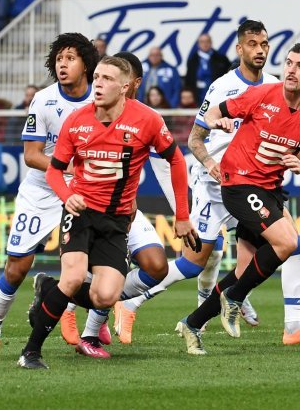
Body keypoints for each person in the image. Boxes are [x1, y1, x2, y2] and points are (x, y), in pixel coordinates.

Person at [118, 21, 300, 349]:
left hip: (263, 185)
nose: (259, 50)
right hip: (216, 182)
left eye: (264, 44)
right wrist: (210, 162)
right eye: (252, 44)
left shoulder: (282, 89)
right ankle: (131, 302)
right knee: (195, 262)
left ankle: (283, 324)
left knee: (277, 252)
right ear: (239, 49)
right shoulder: (226, 87)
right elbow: (195, 136)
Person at [18, 56, 197, 369]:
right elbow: (55, 171)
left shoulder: (148, 119)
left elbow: (177, 161)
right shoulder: (77, 121)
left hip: (117, 220)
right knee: (73, 277)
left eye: (106, 79)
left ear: (125, 87)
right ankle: (30, 352)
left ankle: (48, 289)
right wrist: (67, 195)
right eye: (96, 77)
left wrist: (182, 215)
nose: (97, 84)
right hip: (81, 211)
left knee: (105, 297)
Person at [176, 42, 300, 355]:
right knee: (288, 243)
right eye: (289, 63)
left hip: (270, 189)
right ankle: (234, 299)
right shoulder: (263, 94)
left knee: (245, 269)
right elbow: (217, 110)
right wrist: (217, 120)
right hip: (238, 183)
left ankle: (193, 323)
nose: (291, 69)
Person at [0, 33, 99, 362]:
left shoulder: (100, 101)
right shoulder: (44, 100)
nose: (63, 64)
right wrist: (68, 168)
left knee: (91, 262)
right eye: (59, 58)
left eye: (70, 58)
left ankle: (75, 316)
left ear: (86, 64)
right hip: (42, 188)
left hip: (82, 190)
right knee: (17, 267)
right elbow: (31, 155)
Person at [183, 33, 231, 103]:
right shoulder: (192, 60)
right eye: (202, 42)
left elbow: (229, 76)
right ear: (198, 44)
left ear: (211, 43)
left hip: (217, 96)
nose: (205, 44)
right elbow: (189, 79)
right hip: (198, 97)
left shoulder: (221, 59)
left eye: (207, 41)